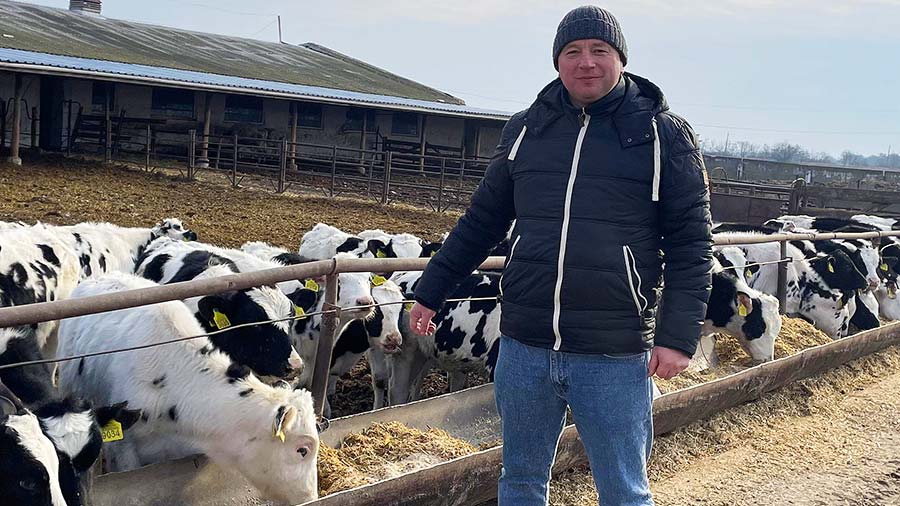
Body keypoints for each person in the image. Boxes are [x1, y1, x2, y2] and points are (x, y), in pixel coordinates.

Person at [408, 5, 712, 506]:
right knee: (521, 479)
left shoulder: (664, 135)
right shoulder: (528, 129)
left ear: (621, 59)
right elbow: (482, 221)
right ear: (557, 62)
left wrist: (677, 338)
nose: (586, 62)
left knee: (623, 489)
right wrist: (432, 290)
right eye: (573, 51)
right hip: (525, 344)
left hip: (612, 349)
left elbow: (691, 245)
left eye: (600, 51)